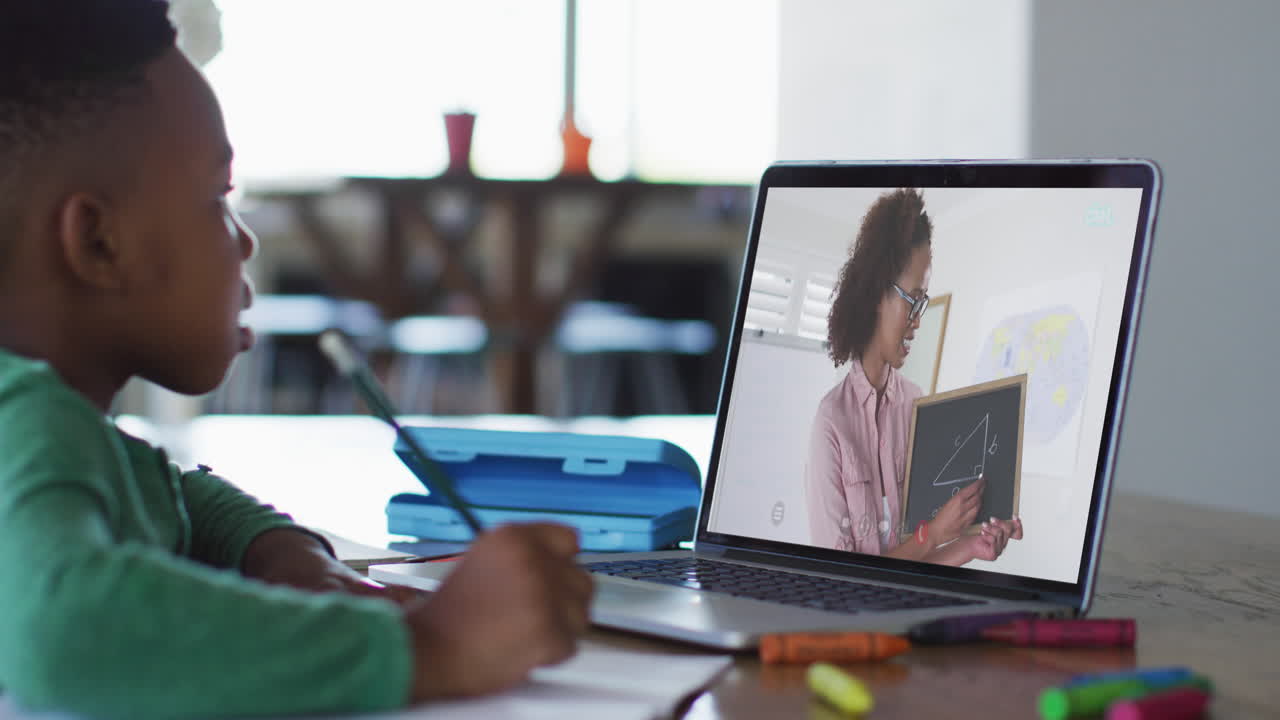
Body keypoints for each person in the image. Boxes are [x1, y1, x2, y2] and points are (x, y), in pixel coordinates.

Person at [0, 2, 591, 718]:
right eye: (219, 198)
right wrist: (435, 648)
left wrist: (274, 549)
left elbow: (171, 493)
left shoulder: (52, 427)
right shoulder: (30, 425)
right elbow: (68, 635)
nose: (244, 242)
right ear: (97, 243)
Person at [805, 188, 1023, 565]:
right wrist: (934, 533)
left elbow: (916, 562)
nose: (918, 320)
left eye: (923, 302)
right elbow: (838, 576)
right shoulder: (831, 422)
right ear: (876, 293)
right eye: (913, 300)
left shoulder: (915, 403)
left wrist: (971, 545)